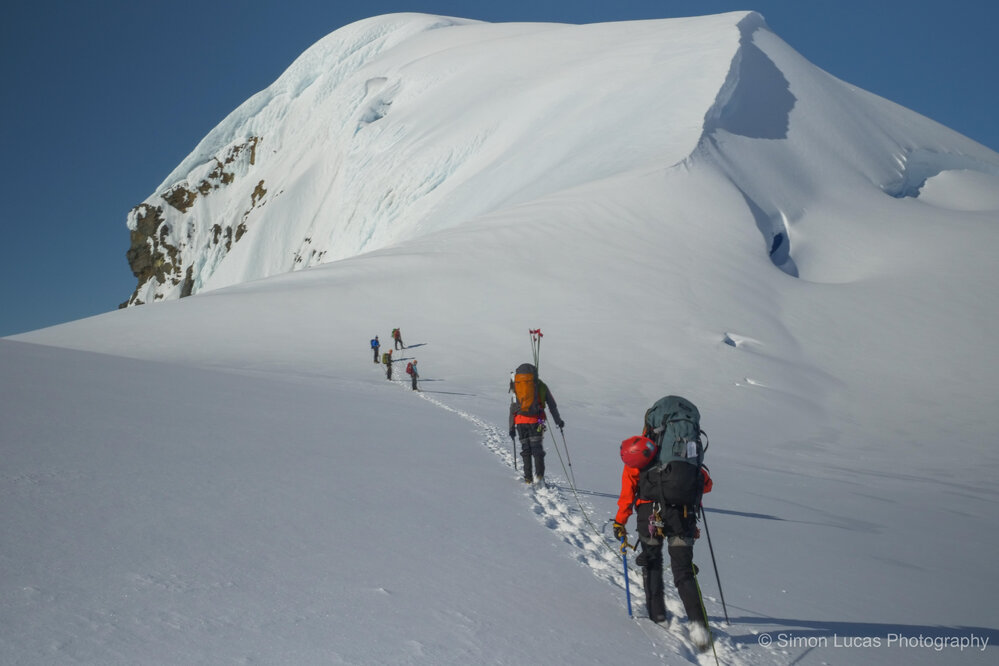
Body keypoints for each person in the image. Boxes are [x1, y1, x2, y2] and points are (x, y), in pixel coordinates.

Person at [612, 399, 713, 650]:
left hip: (649, 515)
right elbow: (707, 484)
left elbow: (628, 489)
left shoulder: (641, 452)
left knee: (652, 562)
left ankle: (657, 616)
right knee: (683, 570)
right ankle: (699, 627)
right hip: (683, 516)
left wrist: (620, 521)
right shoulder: (686, 454)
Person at [508, 363, 564, 485]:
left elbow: (513, 407)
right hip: (537, 420)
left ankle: (528, 478)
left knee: (526, 449)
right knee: (537, 449)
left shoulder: (516, 385)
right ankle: (539, 478)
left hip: (520, 421)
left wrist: (511, 427)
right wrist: (558, 422)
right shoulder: (541, 385)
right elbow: (552, 405)